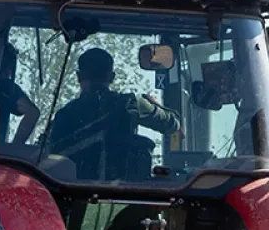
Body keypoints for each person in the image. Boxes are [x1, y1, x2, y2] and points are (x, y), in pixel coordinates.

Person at [48, 47, 181, 180]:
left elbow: (48, 155)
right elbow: (172, 124)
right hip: (122, 192)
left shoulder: (64, 114)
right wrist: (155, 104)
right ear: (111, 77)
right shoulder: (131, 103)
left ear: (78, 76)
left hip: (72, 192)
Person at [0, 43, 39, 145]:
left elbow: (32, 112)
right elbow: (32, 112)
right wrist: (15, 146)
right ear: (9, 70)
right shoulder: (7, 88)